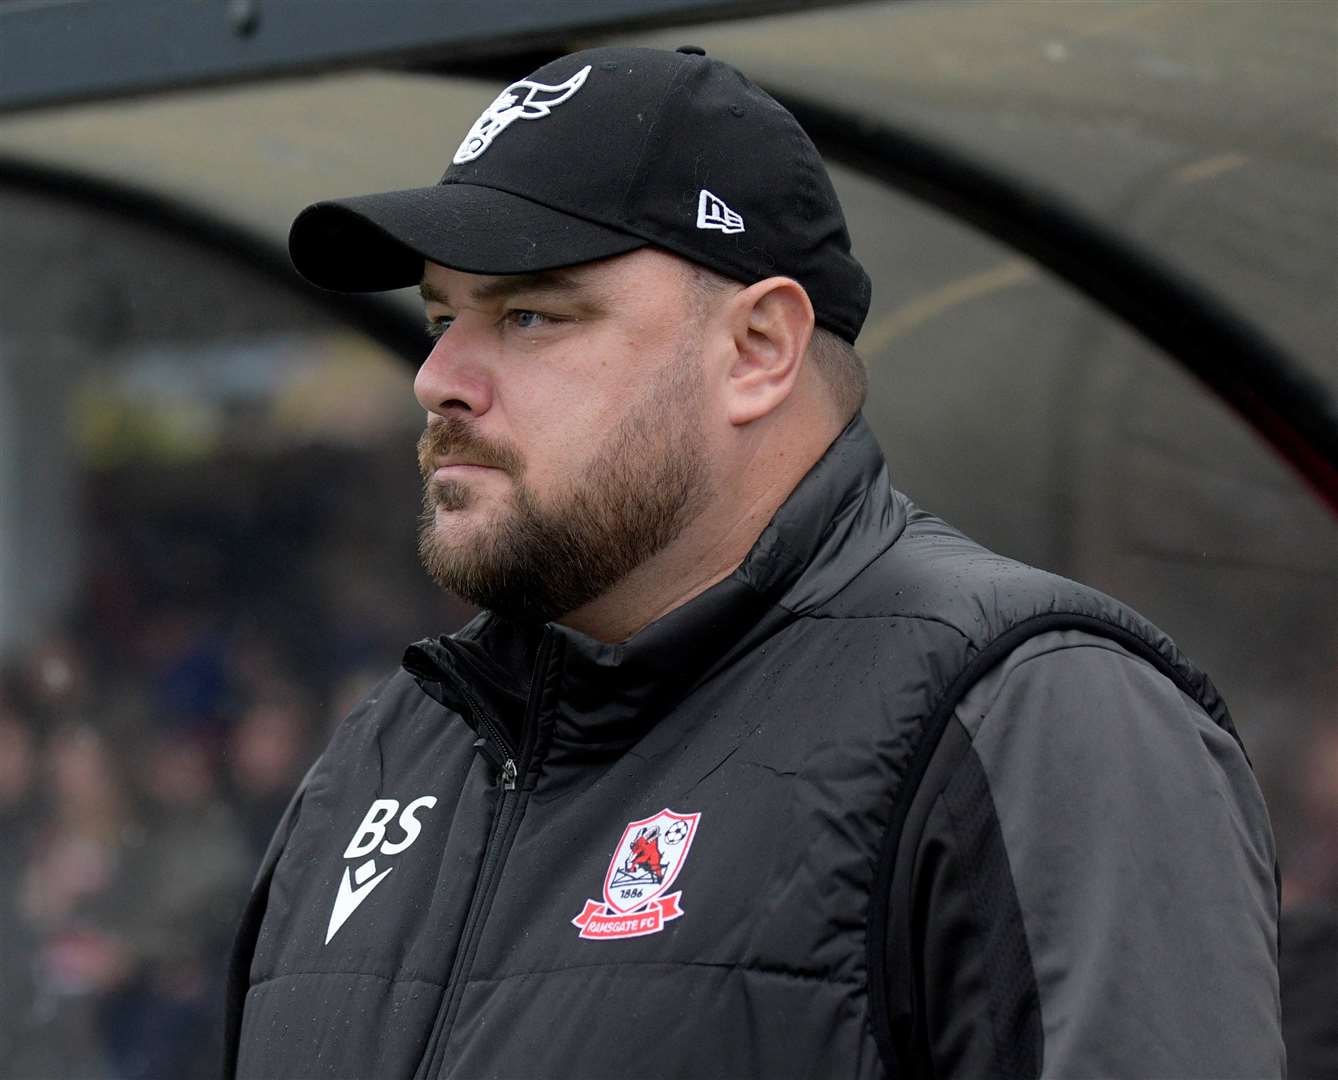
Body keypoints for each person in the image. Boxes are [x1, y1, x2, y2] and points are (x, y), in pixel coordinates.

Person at [225, 45, 1283, 1078]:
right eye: (441, 315)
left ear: (759, 349)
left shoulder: (1032, 714)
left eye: (530, 313)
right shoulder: (388, 754)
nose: (438, 377)